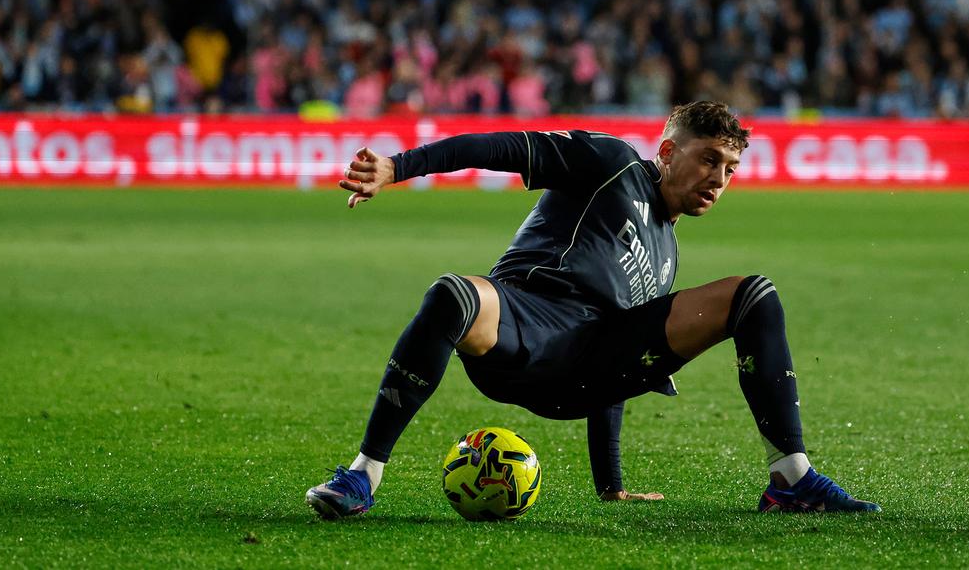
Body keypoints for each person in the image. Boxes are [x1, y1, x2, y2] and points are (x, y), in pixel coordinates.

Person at [306, 101, 880, 517]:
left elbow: (630, 359)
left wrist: (611, 483)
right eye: (709, 160)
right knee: (454, 294)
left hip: (588, 372)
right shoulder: (611, 162)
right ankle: (363, 474)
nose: (718, 179)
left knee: (753, 295)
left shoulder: (666, 253)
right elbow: (501, 147)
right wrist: (399, 167)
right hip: (526, 321)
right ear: (668, 151)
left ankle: (791, 480)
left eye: (730, 169)